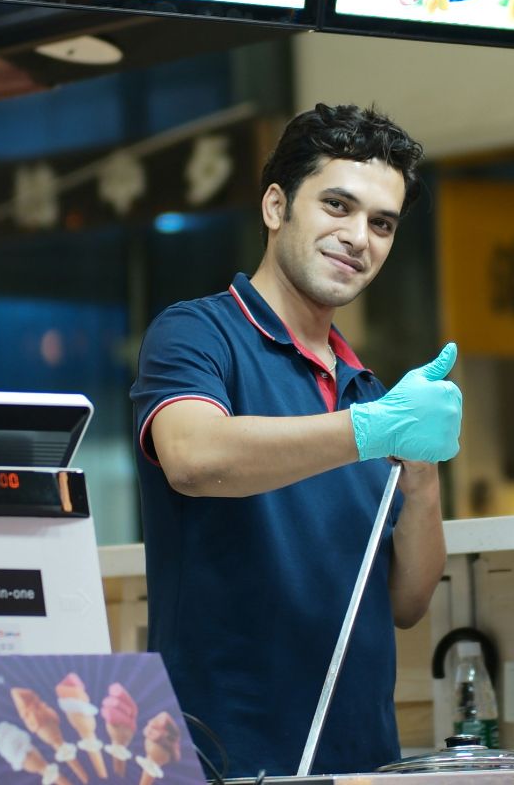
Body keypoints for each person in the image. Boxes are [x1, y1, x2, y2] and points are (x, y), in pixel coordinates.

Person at [130, 103, 462, 776]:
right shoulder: (197, 333)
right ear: (276, 206)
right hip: (218, 757)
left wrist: (421, 469)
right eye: (336, 205)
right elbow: (193, 458)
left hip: (363, 761)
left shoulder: (369, 390)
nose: (357, 237)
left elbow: (406, 602)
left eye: (382, 223)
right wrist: (370, 431)